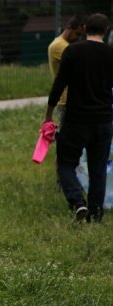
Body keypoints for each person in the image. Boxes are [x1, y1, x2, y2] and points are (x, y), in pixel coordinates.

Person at [45, 13, 113, 223]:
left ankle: (77, 201)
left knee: (66, 163)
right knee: (98, 167)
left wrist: (49, 113)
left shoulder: (73, 51)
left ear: (84, 28)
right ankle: (96, 213)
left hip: (76, 119)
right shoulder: (111, 54)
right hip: (103, 120)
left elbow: (60, 84)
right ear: (106, 30)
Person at [47, 16, 85, 123]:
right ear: (69, 28)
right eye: (77, 34)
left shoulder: (69, 45)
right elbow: (81, 63)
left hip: (73, 98)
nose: (78, 38)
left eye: (81, 36)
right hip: (67, 100)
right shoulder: (59, 46)